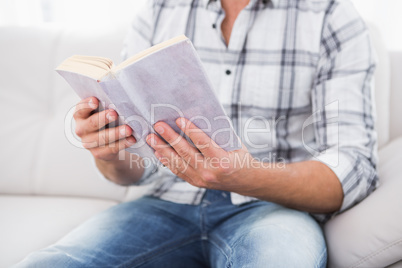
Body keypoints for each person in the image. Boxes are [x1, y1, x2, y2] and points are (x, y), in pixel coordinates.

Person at [15, 0, 378, 267]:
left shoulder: (332, 17)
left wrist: (249, 176)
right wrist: (109, 152)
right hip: (164, 204)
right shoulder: (159, 10)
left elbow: (354, 168)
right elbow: (135, 168)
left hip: (272, 209)